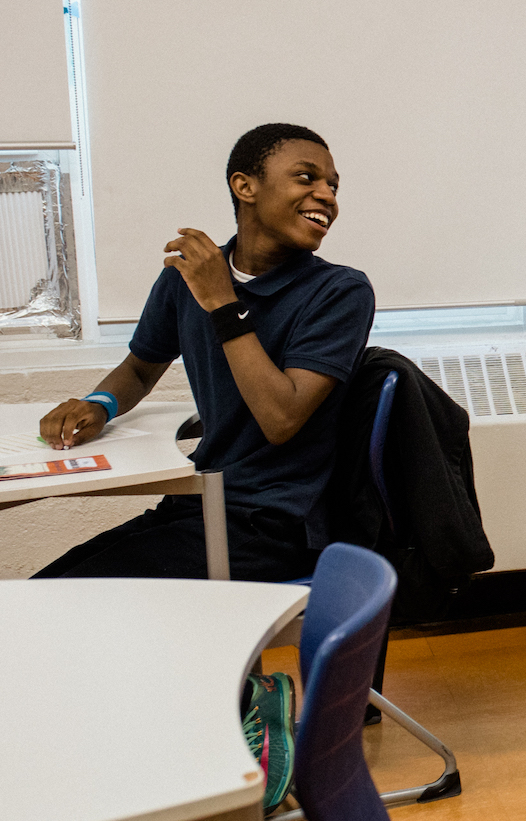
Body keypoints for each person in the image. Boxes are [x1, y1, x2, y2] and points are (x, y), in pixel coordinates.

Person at [36, 123, 375, 583]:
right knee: (41, 592)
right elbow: (140, 367)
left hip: (276, 524)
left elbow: (282, 418)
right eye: (306, 178)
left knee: (62, 605)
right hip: (201, 501)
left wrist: (223, 302)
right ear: (245, 186)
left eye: (333, 186)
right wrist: (100, 405)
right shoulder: (188, 278)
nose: (327, 195)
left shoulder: (340, 291)